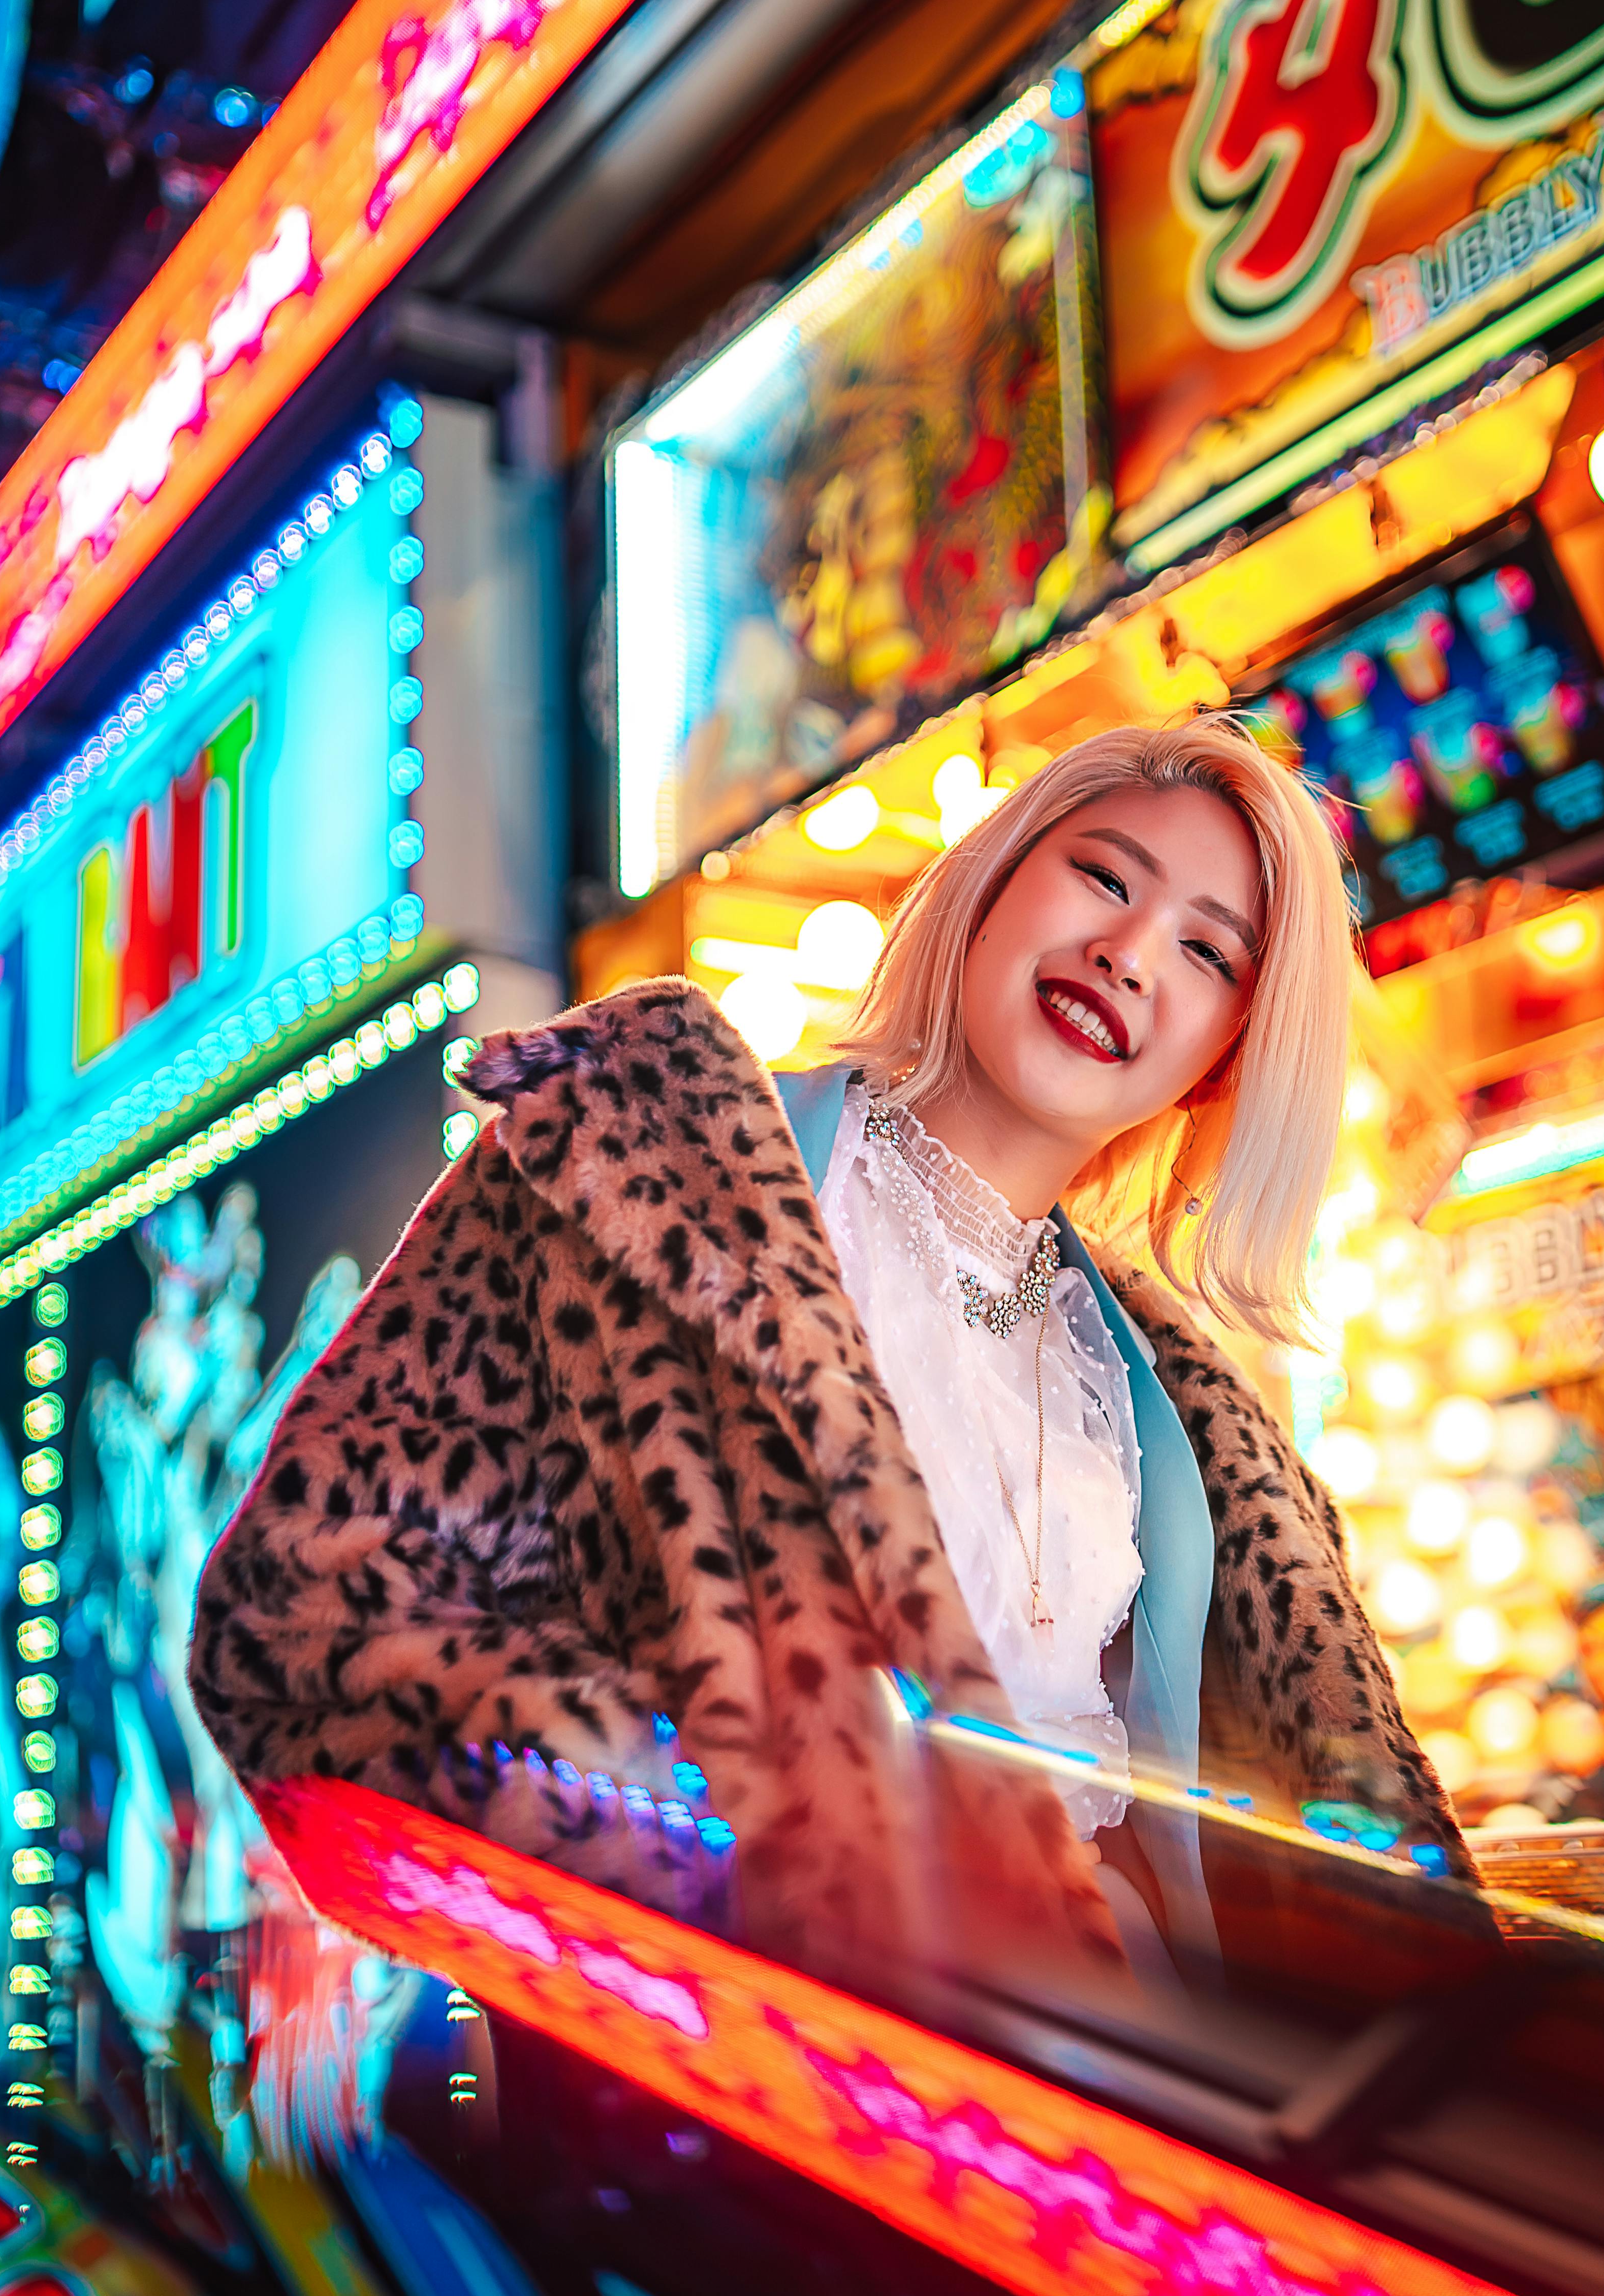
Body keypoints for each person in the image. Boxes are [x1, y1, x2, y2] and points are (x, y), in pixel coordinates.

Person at [190, 718, 1465, 1995]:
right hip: (746, 2068)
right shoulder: (630, 1166)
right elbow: (298, 1626)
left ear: (1220, 1064)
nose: (1126, 955)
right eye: (1101, 877)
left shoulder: (1176, 1420)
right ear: (991, 884)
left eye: (1204, 952)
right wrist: (709, 1877)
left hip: (1100, 2076)